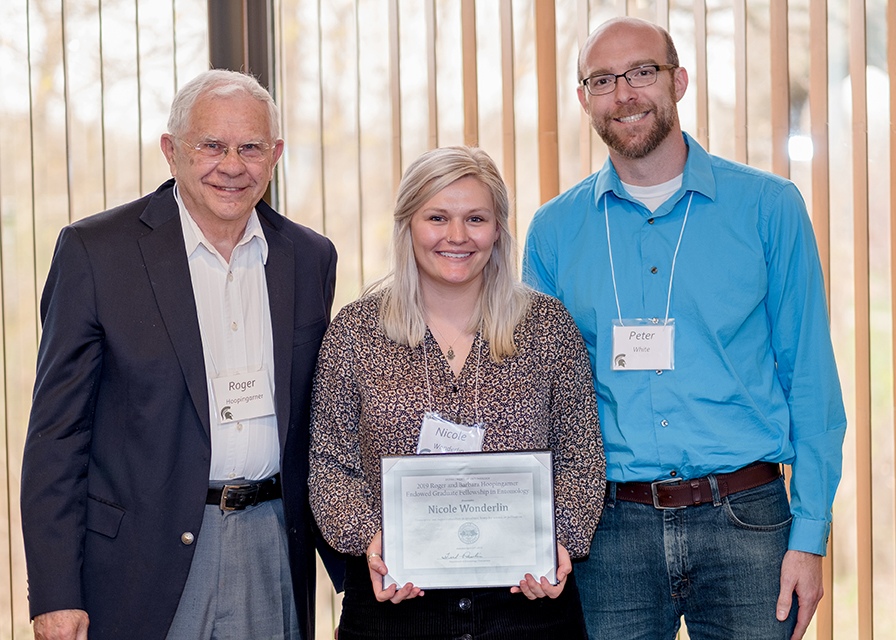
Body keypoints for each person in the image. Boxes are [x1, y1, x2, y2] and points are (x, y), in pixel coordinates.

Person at [523, 17, 846, 640]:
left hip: (747, 523)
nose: (624, 93)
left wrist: (810, 537)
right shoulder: (554, 232)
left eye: (642, 72)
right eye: (602, 80)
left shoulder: (769, 208)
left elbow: (809, 381)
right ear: (584, 98)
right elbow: (535, 397)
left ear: (679, 81)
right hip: (609, 531)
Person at [20, 69, 337, 640]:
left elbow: (322, 425)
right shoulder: (97, 253)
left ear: (276, 155)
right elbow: (56, 438)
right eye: (211, 145)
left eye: (251, 148)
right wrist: (55, 592)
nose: (232, 165)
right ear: (171, 151)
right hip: (140, 560)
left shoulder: (309, 257)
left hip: (272, 543)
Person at [308, 146, 605, 639]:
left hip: (526, 603)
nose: (457, 236)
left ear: (498, 229)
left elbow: (581, 455)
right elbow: (330, 463)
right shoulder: (356, 332)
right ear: (408, 224)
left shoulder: (547, 327)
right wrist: (376, 544)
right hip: (395, 604)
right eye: (438, 217)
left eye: (476, 218)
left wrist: (558, 541)